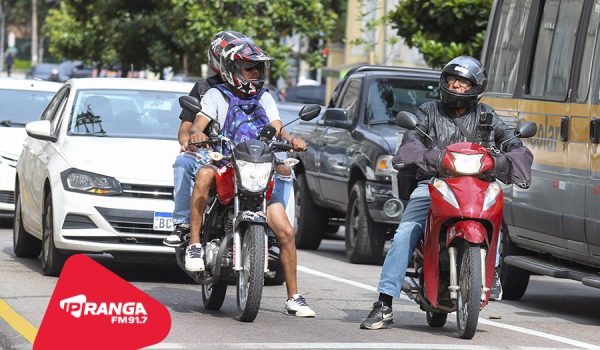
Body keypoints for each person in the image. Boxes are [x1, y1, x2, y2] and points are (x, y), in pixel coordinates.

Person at [359, 56, 534, 330]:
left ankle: (494, 269)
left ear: (476, 88)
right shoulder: (428, 112)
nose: (456, 86)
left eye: (464, 83)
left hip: (477, 186)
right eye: (453, 80)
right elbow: (411, 143)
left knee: (497, 215)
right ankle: (384, 303)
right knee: (406, 231)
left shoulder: (488, 116)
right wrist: (434, 158)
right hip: (434, 183)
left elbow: (513, 144)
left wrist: (507, 157)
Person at [186, 31, 316, 317]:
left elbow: (278, 127)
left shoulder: (265, 97)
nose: (255, 73)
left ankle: (294, 296)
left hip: (259, 168)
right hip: (227, 164)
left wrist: (292, 140)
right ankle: (195, 244)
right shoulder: (215, 95)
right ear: (232, 69)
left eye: (257, 67)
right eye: (249, 67)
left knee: (286, 231)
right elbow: (199, 124)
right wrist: (197, 135)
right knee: (204, 175)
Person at [162, 34, 225, 247]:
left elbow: (272, 125)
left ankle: (272, 234)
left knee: (284, 171)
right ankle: (182, 225)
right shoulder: (204, 88)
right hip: (210, 154)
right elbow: (186, 130)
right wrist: (191, 140)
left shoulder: (258, 92)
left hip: (245, 157)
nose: (250, 70)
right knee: (183, 162)